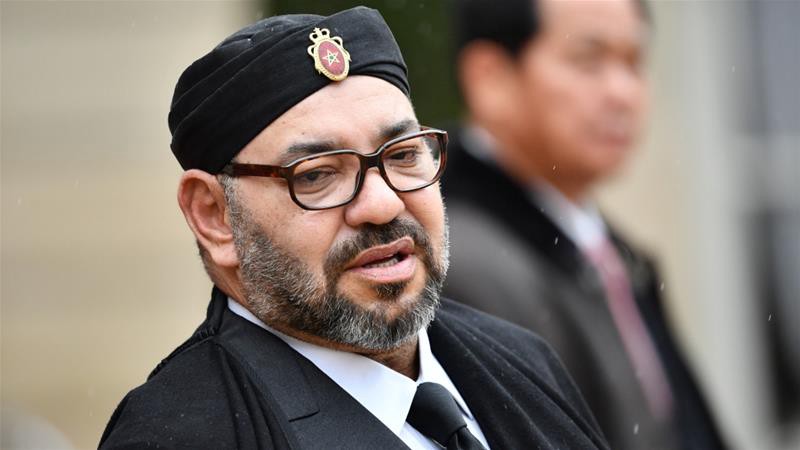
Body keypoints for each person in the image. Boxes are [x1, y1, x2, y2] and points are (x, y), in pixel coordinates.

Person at [99, 7, 609, 450]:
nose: (383, 205)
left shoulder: (522, 360)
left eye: (403, 155)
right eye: (317, 175)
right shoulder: (180, 433)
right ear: (214, 216)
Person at [443, 0, 727, 449]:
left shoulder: (598, 245)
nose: (623, 92)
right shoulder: (457, 264)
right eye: (588, 60)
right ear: (490, 78)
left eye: (634, 62)